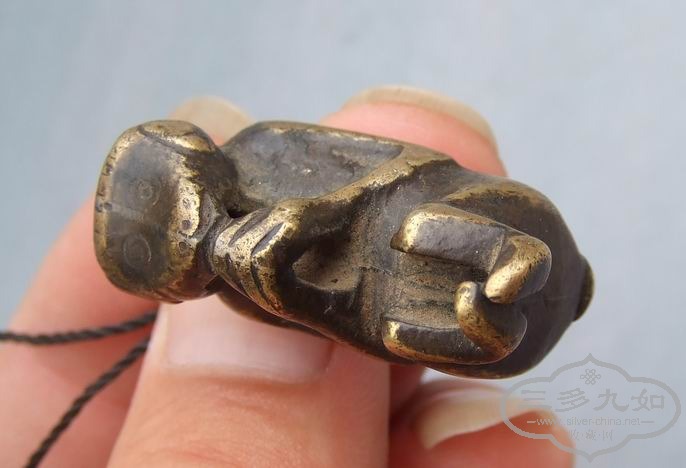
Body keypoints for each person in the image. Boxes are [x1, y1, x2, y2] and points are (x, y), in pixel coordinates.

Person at [0, 86, 573, 467]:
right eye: (187, 259)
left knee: (425, 229)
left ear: (199, 161)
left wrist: (322, 213)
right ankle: (492, 327)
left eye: (193, 202)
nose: (202, 234)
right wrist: (288, 296)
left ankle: (513, 260)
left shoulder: (265, 144)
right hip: (395, 310)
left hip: (432, 218)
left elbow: (402, 165)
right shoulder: (231, 297)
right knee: (407, 332)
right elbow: (330, 326)